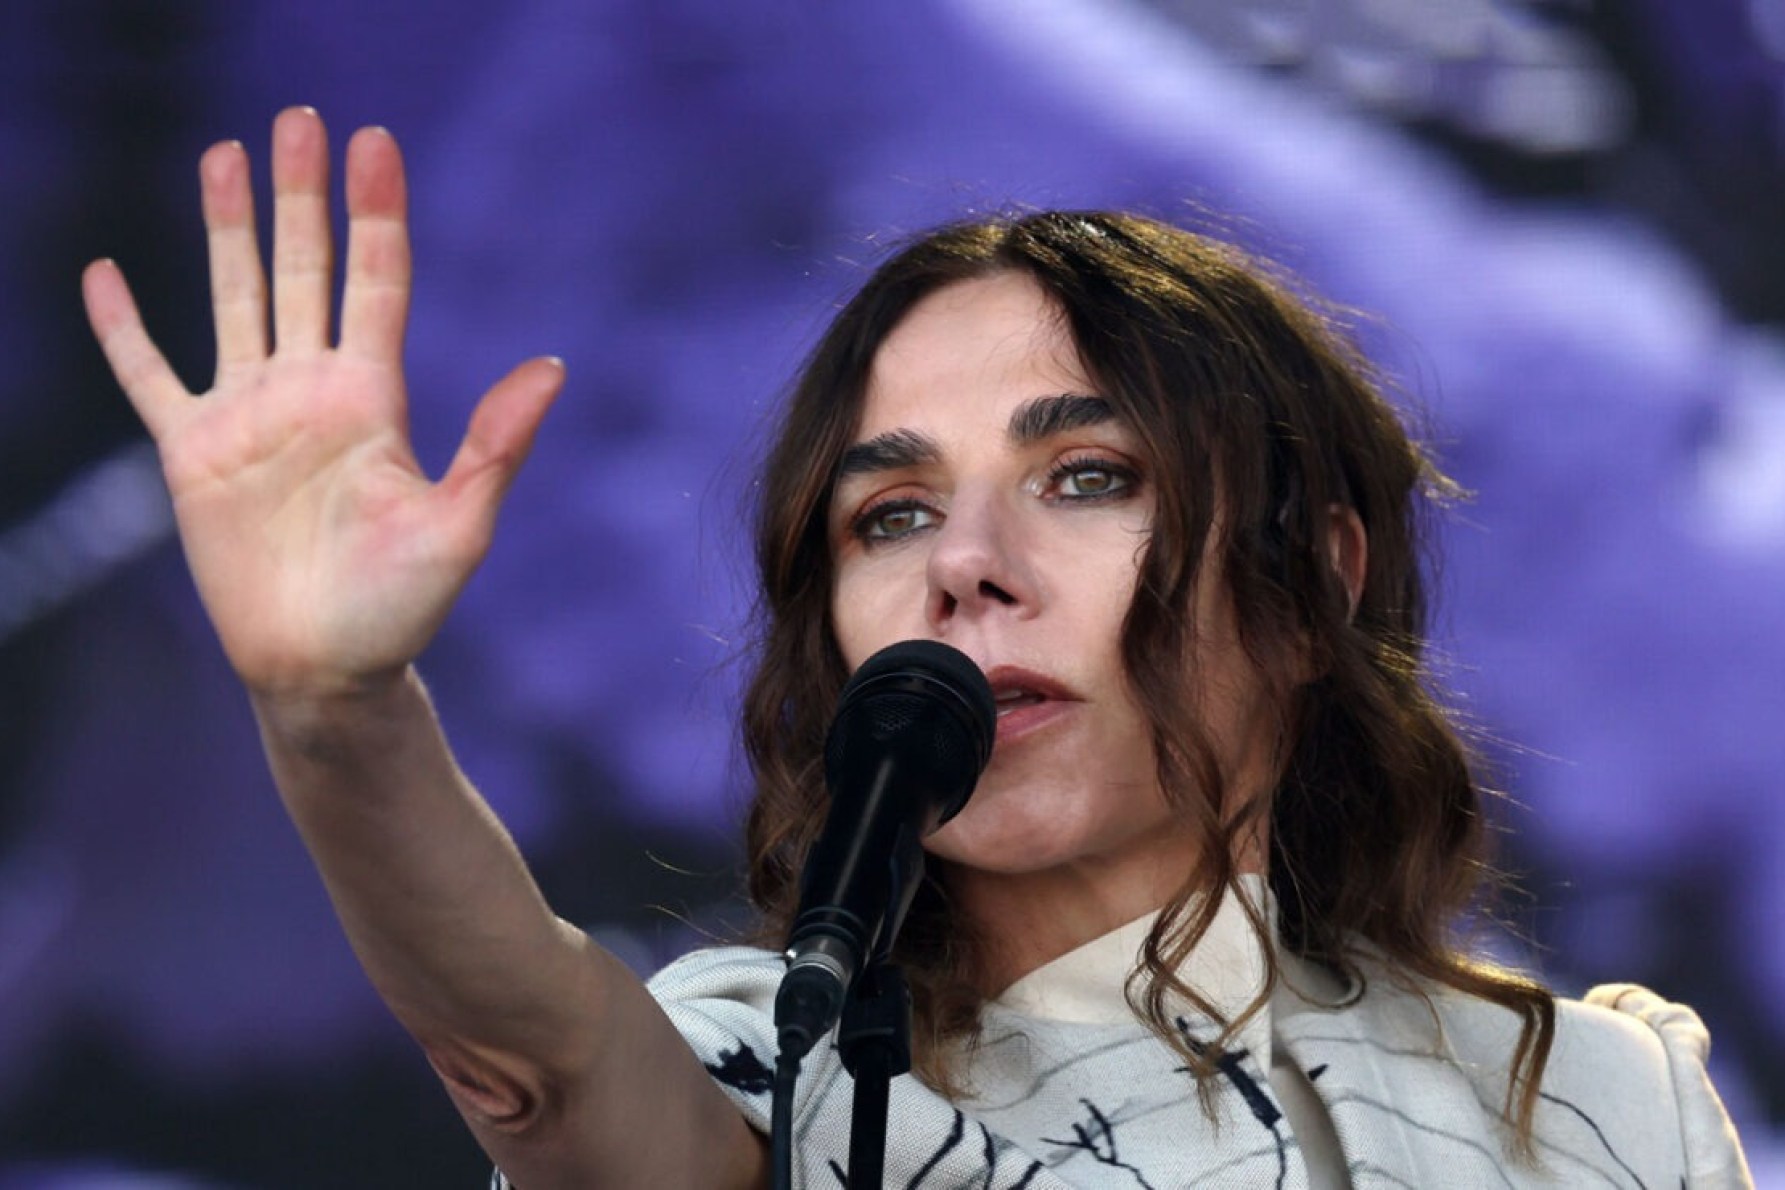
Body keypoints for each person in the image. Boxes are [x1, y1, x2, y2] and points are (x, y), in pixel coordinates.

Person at [82, 107, 1752, 1188]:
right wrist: (334, 705)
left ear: (1311, 582)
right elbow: (543, 1048)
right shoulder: (773, 1062)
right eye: (887, 514)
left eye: (1085, 478)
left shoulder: (1596, 1104)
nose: (966, 565)